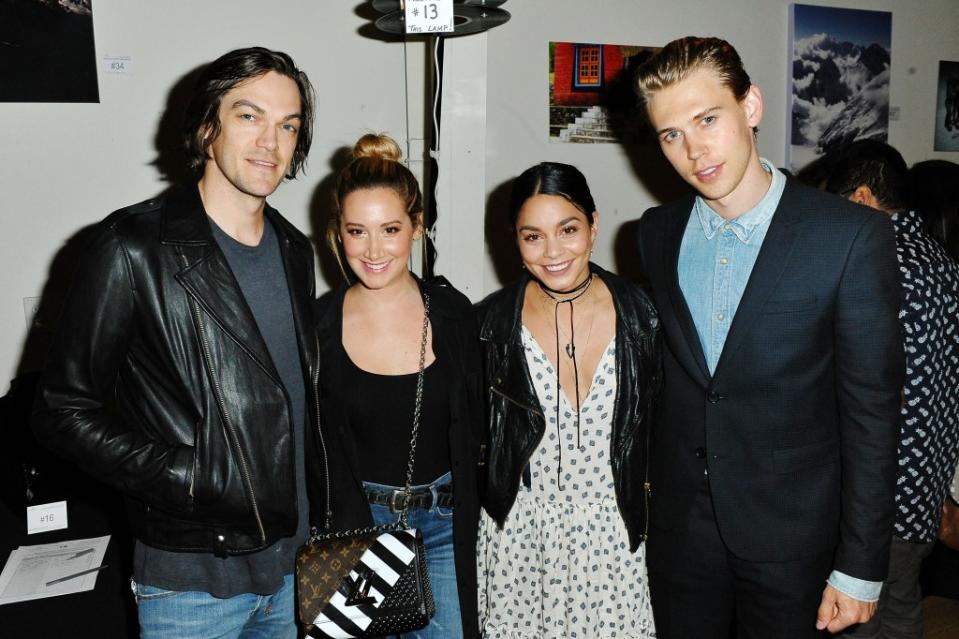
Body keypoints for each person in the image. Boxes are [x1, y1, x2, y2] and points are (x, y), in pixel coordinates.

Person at [32, 47, 321, 638]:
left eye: (288, 124)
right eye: (249, 116)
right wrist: (188, 477)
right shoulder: (131, 245)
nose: (271, 141)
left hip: (294, 566)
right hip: (192, 578)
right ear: (207, 126)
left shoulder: (296, 249)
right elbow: (61, 410)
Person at [634, 37, 904, 638]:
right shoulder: (655, 232)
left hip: (797, 542)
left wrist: (859, 567)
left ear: (750, 106)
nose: (694, 151)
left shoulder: (851, 238)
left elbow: (873, 415)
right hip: (684, 540)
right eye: (670, 134)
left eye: (707, 119)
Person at [476, 162, 661, 638]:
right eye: (533, 236)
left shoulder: (646, 318)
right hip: (520, 542)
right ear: (514, 240)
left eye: (568, 229)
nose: (553, 251)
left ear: (594, 225)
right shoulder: (489, 326)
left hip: (615, 537)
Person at [313, 133, 483, 638]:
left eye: (389, 229)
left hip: (445, 526)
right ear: (336, 235)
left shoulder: (455, 315)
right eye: (356, 231)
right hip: (356, 526)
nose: (373, 249)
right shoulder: (316, 328)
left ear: (417, 227)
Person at [822, 140, 959, 639]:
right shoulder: (939, 260)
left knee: (865, 619)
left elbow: (880, 389)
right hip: (924, 486)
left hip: (879, 491)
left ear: (859, 199)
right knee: (900, 606)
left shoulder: (878, 264)